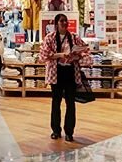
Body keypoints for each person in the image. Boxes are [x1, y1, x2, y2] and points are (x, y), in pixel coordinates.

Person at [39, 13, 92, 142]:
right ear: (56, 23)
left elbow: (86, 51)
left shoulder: (74, 38)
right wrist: (61, 55)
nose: (64, 23)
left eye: (66, 21)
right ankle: (55, 130)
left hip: (70, 73)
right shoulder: (50, 38)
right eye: (62, 21)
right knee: (56, 103)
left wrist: (76, 56)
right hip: (56, 73)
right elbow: (44, 56)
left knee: (70, 103)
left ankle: (69, 132)